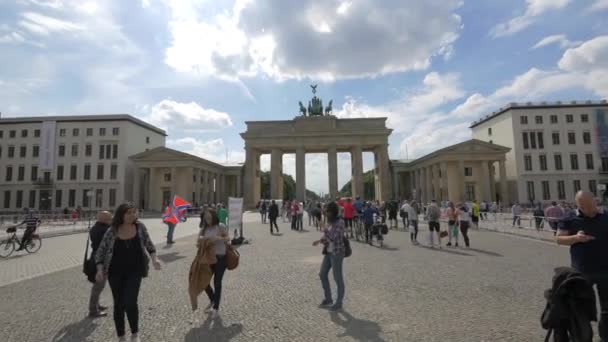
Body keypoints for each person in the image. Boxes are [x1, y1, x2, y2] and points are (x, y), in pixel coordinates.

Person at [95, 203, 161, 342]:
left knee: (131, 301)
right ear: (121, 214)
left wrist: (155, 260)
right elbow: (100, 252)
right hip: (115, 272)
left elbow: (150, 245)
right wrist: (100, 270)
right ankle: (121, 336)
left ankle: (135, 334)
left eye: (134, 212)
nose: (132, 215)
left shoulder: (140, 227)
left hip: (135, 271)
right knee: (119, 303)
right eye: (129, 213)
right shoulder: (112, 230)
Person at [556, 191, 608, 341]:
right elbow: (559, 239)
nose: (588, 209)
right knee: (581, 312)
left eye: (590, 205)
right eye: (583, 206)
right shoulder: (570, 217)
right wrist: (576, 238)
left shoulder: (606, 216)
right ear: (578, 205)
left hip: (606, 270)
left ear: (595, 201)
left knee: (607, 310)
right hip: (582, 272)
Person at [313, 201, 346, 311]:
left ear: (333, 212)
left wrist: (324, 227)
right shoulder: (331, 222)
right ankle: (328, 298)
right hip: (328, 252)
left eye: (327, 212)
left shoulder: (340, 222)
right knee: (322, 274)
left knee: (338, 278)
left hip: (337, 253)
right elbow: (327, 237)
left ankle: (339, 302)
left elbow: (333, 237)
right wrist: (319, 241)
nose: (325, 214)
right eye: (325, 211)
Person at [199, 208, 231, 318]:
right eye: (205, 218)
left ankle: (216, 308)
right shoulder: (204, 228)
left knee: (217, 282)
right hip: (208, 258)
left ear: (213, 216)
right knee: (203, 281)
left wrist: (217, 238)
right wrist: (201, 240)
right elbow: (198, 241)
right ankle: (213, 299)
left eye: (209, 217)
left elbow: (228, 238)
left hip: (221, 258)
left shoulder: (221, 226)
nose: (207, 220)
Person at [88, 211, 112, 318]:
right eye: (109, 219)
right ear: (104, 219)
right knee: (98, 286)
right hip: (101, 261)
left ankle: (96, 305)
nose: (110, 220)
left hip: (95, 258)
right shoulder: (104, 230)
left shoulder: (95, 227)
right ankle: (93, 310)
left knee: (98, 285)